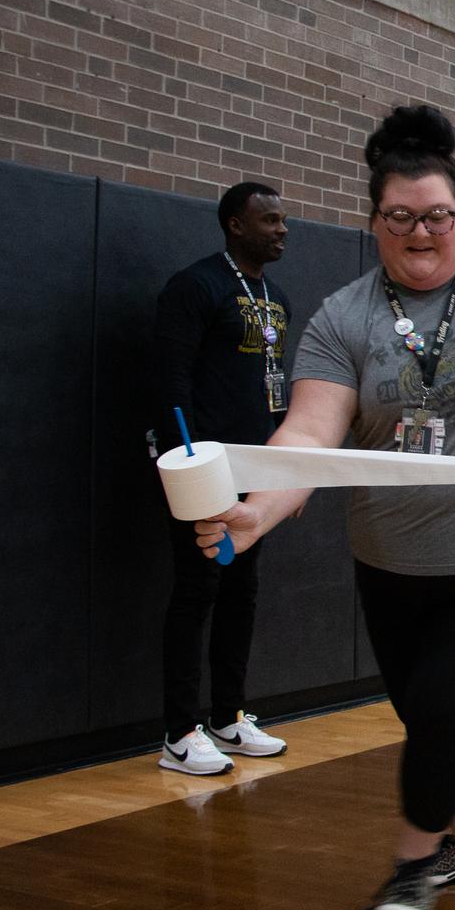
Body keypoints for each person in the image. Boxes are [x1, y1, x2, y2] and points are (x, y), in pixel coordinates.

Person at [195, 106, 455, 910]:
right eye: (399, 218)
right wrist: (254, 514)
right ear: (374, 221)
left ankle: (412, 866)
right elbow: (310, 434)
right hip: (391, 566)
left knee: (441, 708)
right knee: (432, 715)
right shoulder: (343, 315)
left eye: (437, 217)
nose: (420, 233)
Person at [153, 181, 293, 775]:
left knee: (242, 591)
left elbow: (278, 391)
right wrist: (186, 466)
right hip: (204, 468)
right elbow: (171, 382)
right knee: (197, 591)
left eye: (282, 219)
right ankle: (179, 733)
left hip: (254, 470)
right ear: (236, 225)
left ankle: (229, 717)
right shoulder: (196, 286)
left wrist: (286, 476)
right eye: (270, 220)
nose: (282, 229)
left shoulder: (276, 296)